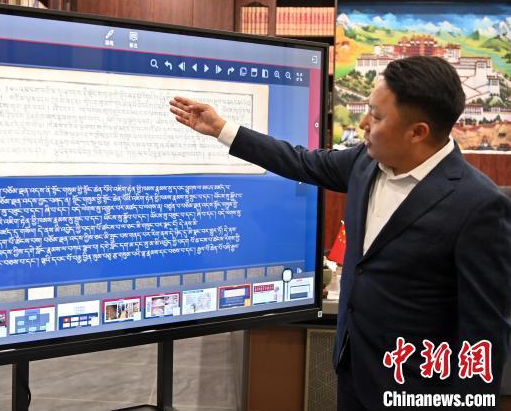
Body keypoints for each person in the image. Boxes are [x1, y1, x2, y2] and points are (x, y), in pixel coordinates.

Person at [170, 56, 510, 410]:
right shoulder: (366, 162)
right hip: (354, 372)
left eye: (376, 116)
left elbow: (485, 331)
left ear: (418, 132)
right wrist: (221, 128)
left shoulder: (478, 205)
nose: (362, 124)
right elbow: (301, 161)